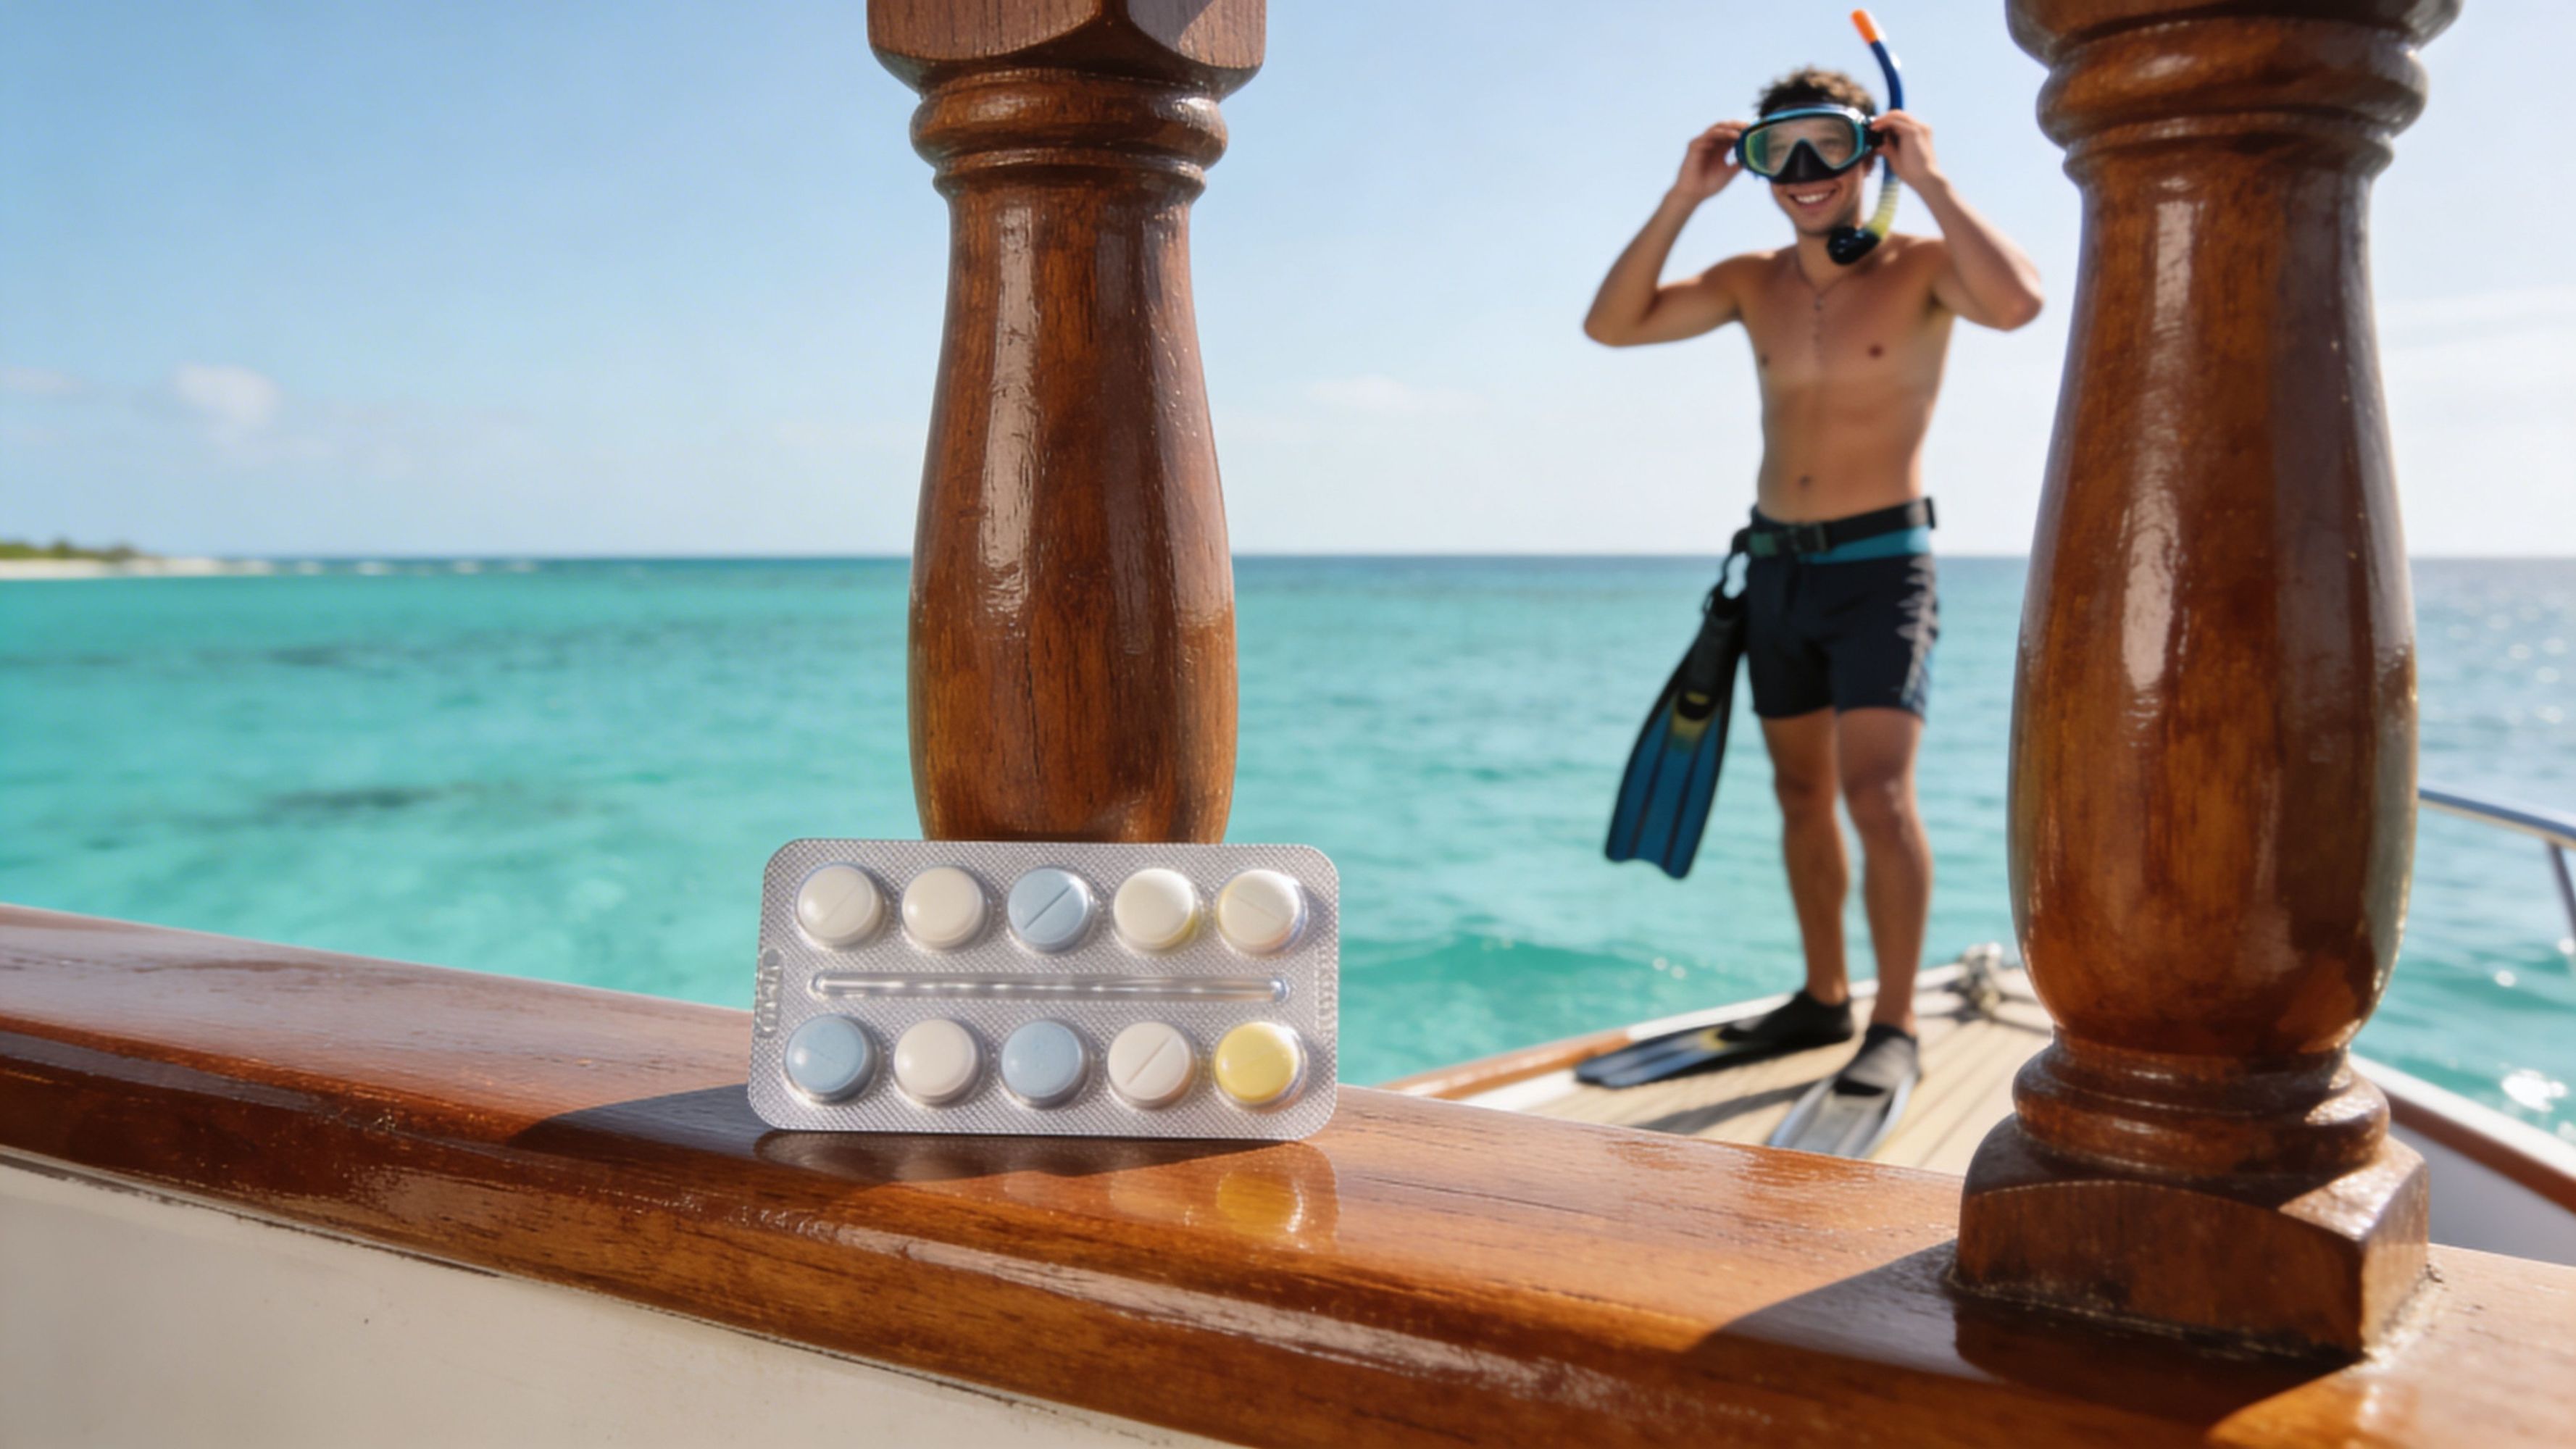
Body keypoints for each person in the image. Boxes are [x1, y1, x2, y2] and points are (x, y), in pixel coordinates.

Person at [1582, 67, 2043, 1098]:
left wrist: (1931, 181)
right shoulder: (1753, 282)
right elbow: (1612, 326)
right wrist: (1680, 200)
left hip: (1884, 571)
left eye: (1826, 146)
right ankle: (1823, 996)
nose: (1801, 171)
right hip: (1778, 572)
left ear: (1867, 150)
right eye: (1775, 149)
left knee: (1879, 797)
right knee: (1802, 796)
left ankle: (1892, 1026)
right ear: (1752, 162)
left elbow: (2017, 302)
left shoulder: (1922, 265)